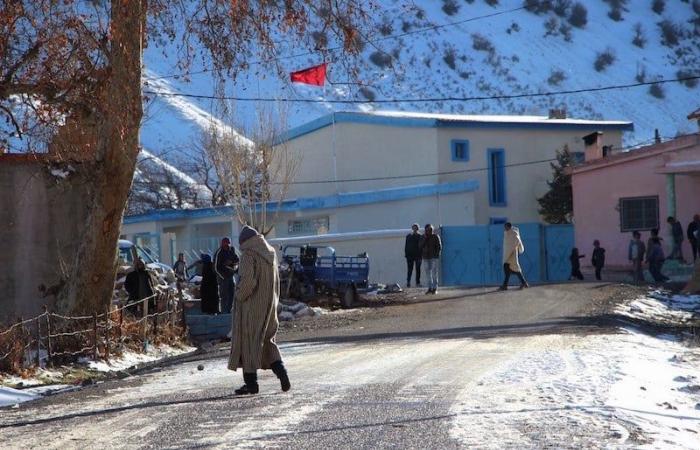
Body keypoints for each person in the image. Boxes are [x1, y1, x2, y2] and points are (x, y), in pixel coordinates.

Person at [228, 225, 290, 395]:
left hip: (251, 307)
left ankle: (251, 384)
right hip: (269, 306)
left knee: (249, 342)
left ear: (245, 242)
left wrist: (238, 295)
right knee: (267, 341)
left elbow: (248, 282)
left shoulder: (249, 255)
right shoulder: (270, 253)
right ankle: (282, 373)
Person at [500, 222, 528, 290]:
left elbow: (517, 241)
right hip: (507, 254)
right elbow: (507, 245)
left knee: (515, 269)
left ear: (509, 226)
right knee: (508, 270)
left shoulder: (513, 233)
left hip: (512, 255)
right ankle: (523, 283)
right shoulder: (506, 233)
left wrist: (513, 249)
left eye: (506, 227)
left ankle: (523, 283)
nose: (505, 228)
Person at [214, 237, 239, 314]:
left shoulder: (231, 250)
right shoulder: (219, 252)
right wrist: (222, 277)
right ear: (222, 244)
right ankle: (223, 311)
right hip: (223, 277)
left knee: (232, 293)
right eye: (225, 245)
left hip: (231, 276)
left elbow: (237, 260)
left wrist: (231, 263)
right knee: (224, 295)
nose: (227, 246)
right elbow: (215, 268)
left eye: (228, 244)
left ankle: (230, 310)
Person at [421, 224, 442, 295]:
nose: (428, 231)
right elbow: (420, 246)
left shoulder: (436, 236)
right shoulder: (423, 237)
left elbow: (439, 246)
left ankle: (435, 288)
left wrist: (437, 255)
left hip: (434, 257)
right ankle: (430, 288)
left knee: (434, 273)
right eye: (427, 230)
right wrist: (425, 239)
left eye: (430, 230)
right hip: (426, 257)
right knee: (428, 274)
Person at [404, 223, 423, 287]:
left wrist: (421, 254)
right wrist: (406, 254)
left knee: (418, 269)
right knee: (410, 269)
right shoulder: (408, 236)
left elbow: (422, 246)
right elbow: (406, 246)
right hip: (410, 255)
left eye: (416, 228)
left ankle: (417, 282)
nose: (415, 229)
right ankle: (408, 282)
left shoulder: (420, 236)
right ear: (412, 228)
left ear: (418, 228)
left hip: (418, 255)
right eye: (414, 228)